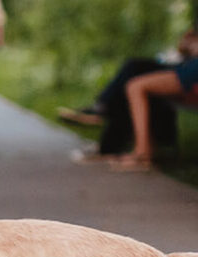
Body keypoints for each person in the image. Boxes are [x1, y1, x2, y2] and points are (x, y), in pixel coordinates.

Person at [61, 29, 198, 166]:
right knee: (134, 67)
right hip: (187, 64)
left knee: (135, 86)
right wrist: (186, 45)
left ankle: (140, 153)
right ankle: (108, 134)